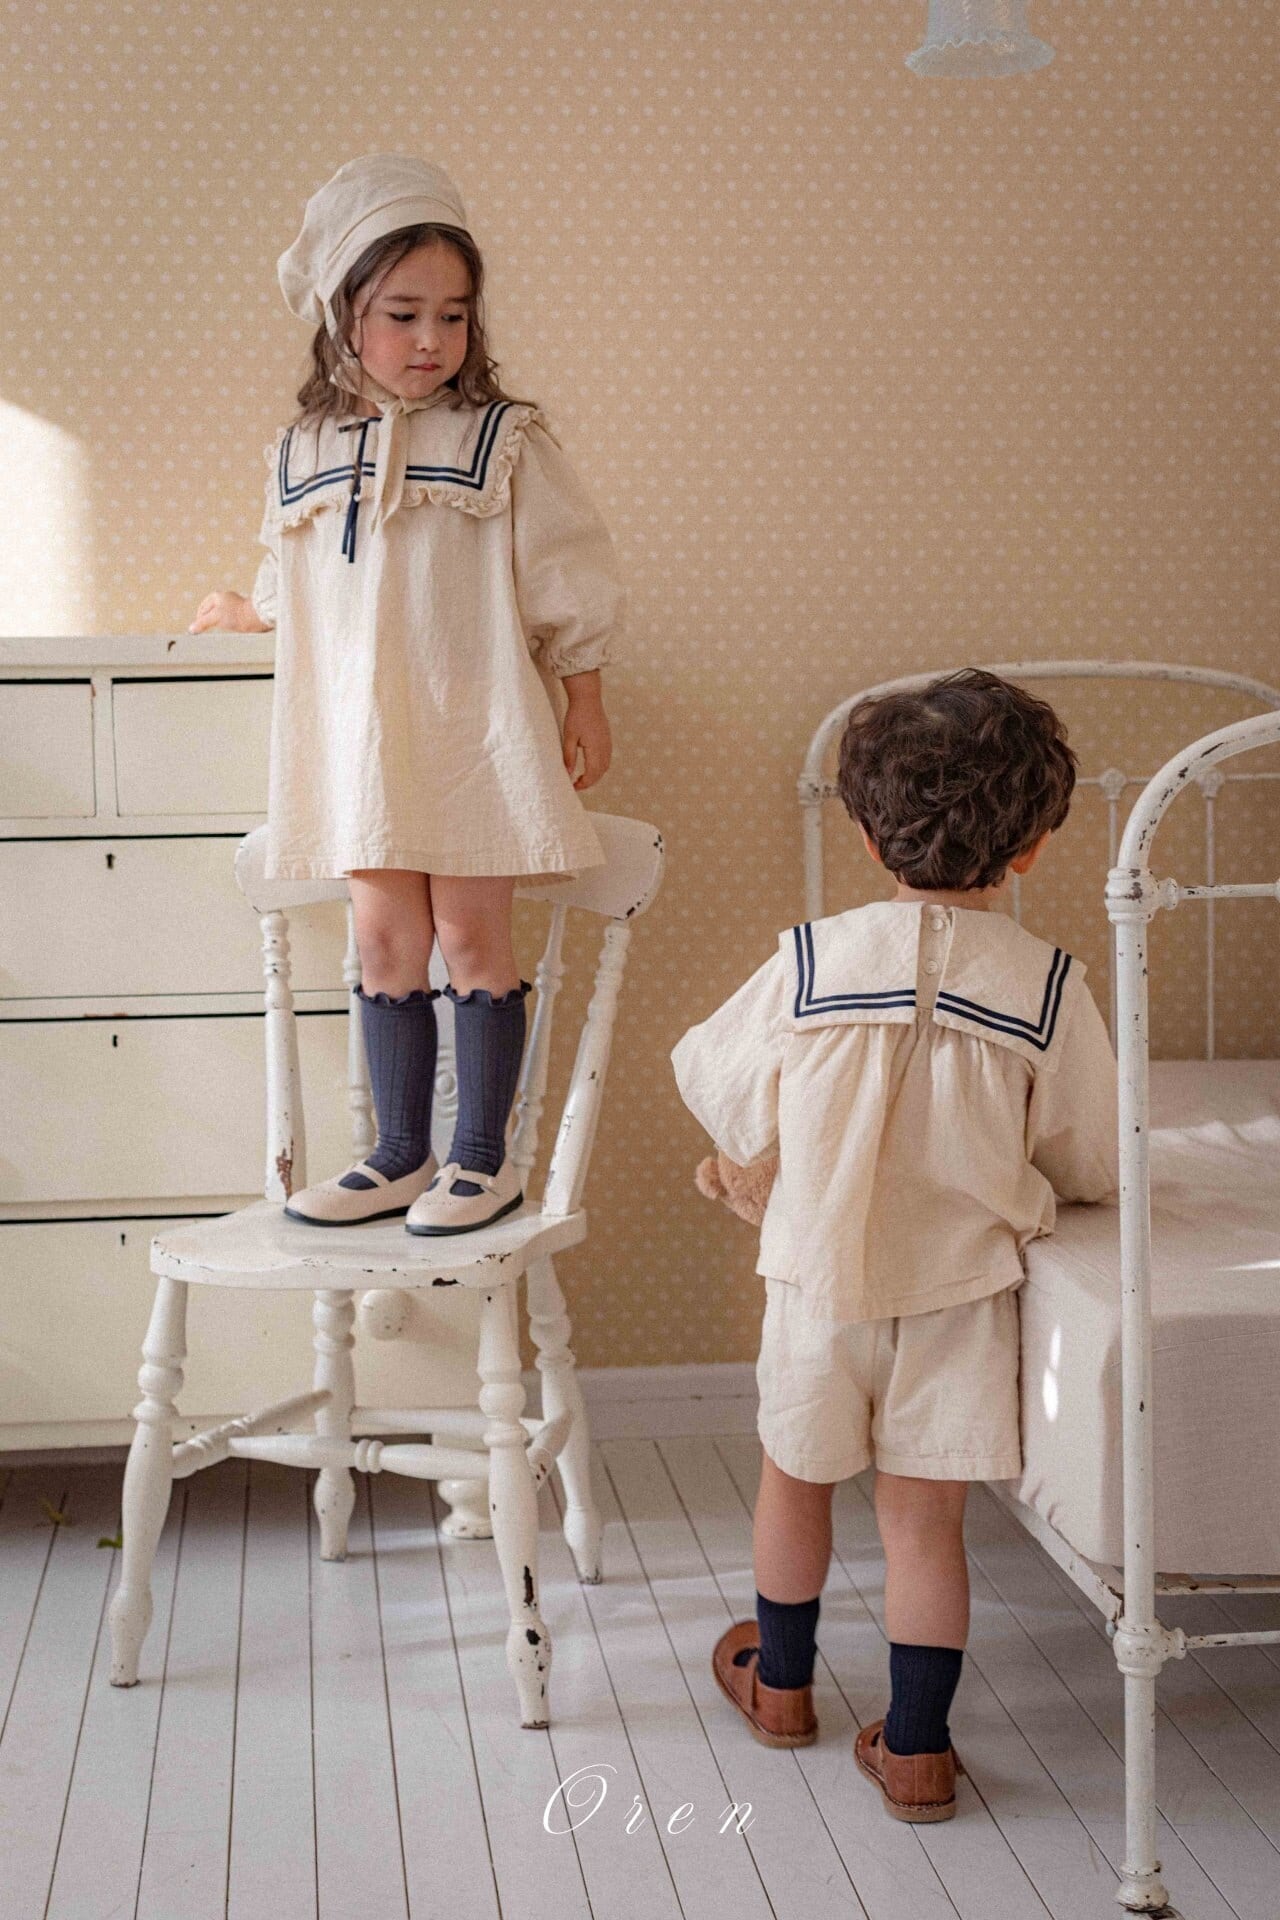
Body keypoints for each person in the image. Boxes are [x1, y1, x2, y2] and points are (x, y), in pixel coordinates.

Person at [670, 669, 1118, 1823]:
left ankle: (780, 1688)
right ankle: (916, 1750)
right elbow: (1088, 1155)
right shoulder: (1046, 988)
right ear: (1031, 847)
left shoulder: (810, 962)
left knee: (793, 1482)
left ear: (868, 837)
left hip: (816, 1283)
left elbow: (715, 1080)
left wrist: (772, 1149)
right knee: (923, 1526)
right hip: (958, 1296)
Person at [189, 155, 623, 1235]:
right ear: (342, 315)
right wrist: (247, 612)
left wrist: (583, 693)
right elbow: (294, 583)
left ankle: (480, 1160)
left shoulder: (500, 442)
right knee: (384, 944)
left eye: (453, 315)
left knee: (472, 939)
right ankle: (397, 1154)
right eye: (402, 314)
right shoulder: (301, 453)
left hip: (474, 734)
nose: (431, 338)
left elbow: (566, 575)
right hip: (362, 746)